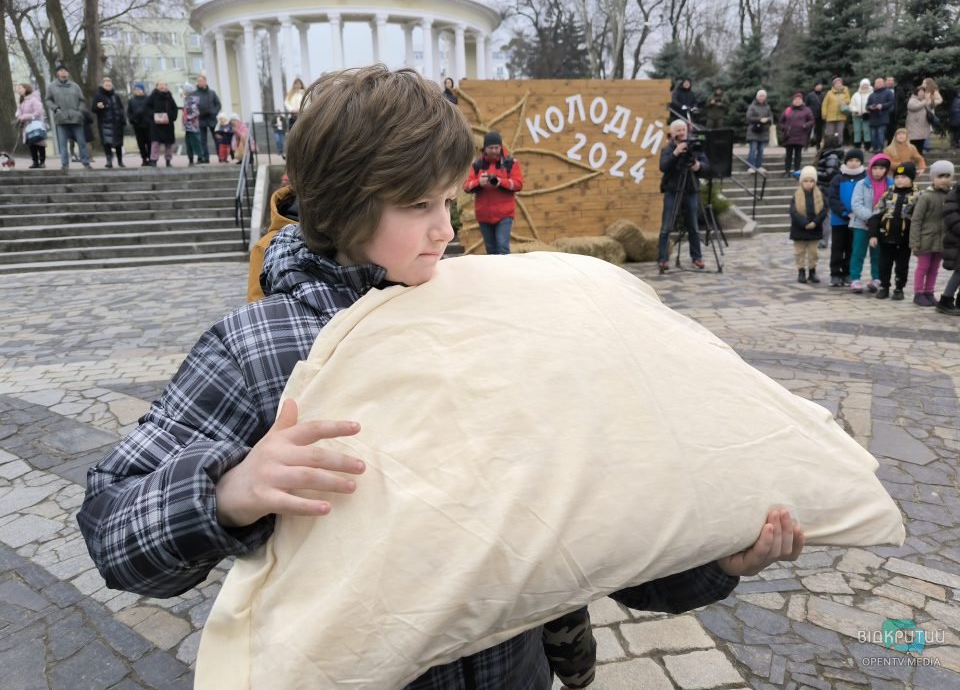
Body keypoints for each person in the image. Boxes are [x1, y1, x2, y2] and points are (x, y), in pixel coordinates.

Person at [75, 66, 806, 689]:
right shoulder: (259, 348)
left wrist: (714, 560)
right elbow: (112, 530)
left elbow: (575, 521)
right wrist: (227, 492)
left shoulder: (491, 323)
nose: (446, 231)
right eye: (417, 205)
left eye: (447, 202)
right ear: (346, 203)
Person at [657, 118, 710, 271]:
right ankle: (662, 259)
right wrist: (675, 153)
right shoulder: (668, 149)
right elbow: (663, 166)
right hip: (673, 190)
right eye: (678, 130)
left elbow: (706, 166)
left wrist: (697, 166)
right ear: (672, 134)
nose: (681, 133)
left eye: (683, 130)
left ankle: (697, 257)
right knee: (667, 226)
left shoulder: (694, 146)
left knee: (693, 225)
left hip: (691, 189)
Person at [464, 130, 524, 254]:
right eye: (491, 148)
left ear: (500, 147)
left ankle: (506, 273)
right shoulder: (477, 165)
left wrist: (500, 182)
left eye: (496, 147)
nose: (494, 151)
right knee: (490, 250)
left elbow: (518, 184)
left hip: (504, 214)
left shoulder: (510, 163)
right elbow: (466, 186)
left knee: (502, 247)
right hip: (483, 215)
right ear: (485, 148)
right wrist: (479, 183)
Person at [869, 162, 920, 300]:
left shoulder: (917, 196)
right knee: (884, 264)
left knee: (902, 266)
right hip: (886, 238)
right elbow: (876, 215)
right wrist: (873, 234)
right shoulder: (888, 194)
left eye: (903, 177)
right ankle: (884, 286)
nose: (899, 180)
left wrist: (916, 239)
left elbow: (919, 219)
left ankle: (899, 288)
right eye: (897, 177)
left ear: (911, 178)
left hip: (904, 239)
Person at [909, 160, 953, 306]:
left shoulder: (951, 196)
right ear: (933, 178)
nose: (944, 180)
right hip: (925, 240)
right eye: (940, 176)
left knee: (934, 269)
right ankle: (918, 293)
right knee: (923, 267)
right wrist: (914, 241)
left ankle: (929, 291)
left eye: (948, 176)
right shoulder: (926, 197)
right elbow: (916, 220)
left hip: (942, 240)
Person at [849, 153, 892, 293]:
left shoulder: (891, 185)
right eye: (875, 168)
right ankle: (855, 278)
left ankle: (877, 278)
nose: (877, 171)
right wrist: (872, 218)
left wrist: (880, 221)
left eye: (881, 168)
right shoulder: (862, 184)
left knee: (878, 253)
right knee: (858, 252)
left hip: (881, 226)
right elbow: (856, 204)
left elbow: (892, 204)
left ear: (886, 169)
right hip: (861, 224)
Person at [827, 148, 866, 286]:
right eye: (850, 160)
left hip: (857, 220)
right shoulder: (838, 178)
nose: (854, 163)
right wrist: (844, 213)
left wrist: (858, 213)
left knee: (852, 248)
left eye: (857, 160)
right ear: (846, 162)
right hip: (839, 220)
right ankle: (835, 273)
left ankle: (848, 273)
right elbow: (832, 198)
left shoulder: (864, 178)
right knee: (837, 248)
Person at [44, 63, 90, 169]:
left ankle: (86, 163)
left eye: (65, 71)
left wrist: (79, 110)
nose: (63, 72)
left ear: (68, 73)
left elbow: (82, 100)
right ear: (57, 73)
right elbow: (48, 100)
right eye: (61, 71)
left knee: (81, 141)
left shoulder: (75, 86)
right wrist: (55, 109)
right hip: (61, 118)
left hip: (76, 118)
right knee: (62, 144)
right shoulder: (51, 86)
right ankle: (64, 164)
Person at [788, 166, 828, 284]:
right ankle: (801, 271)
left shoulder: (820, 195)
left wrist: (815, 222)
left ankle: (812, 271)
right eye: (806, 181)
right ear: (801, 182)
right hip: (799, 229)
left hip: (814, 229)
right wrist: (804, 223)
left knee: (813, 252)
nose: (808, 184)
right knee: (799, 251)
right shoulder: (796, 196)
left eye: (811, 181)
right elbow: (793, 212)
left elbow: (824, 210)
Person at [91, 77, 126, 168]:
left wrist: (122, 119)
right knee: (107, 143)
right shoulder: (99, 95)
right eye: (106, 85)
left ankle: (120, 161)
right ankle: (109, 160)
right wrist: (98, 107)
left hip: (117, 123)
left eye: (110, 85)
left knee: (118, 143)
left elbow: (121, 108)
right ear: (103, 85)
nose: (108, 86)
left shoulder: (116, 96)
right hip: (105, 123)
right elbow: (93, 109)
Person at [937, 183, 960, 314]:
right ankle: (945, 300)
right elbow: (951, 217)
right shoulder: (955, 194)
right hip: (957, 239)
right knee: (959, 273)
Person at [780, 92, 814, 177]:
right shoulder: (788, 110)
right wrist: (784, 128)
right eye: (796, 99)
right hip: (789, 136)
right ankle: (787, 171)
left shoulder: (807, 110)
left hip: (800, 135)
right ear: (793, 101)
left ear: (802, 101)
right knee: (788, 154)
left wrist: (805, 125)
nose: (797, 101)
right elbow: (781, 122)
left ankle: (796, 171)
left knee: (798, 155)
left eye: (799, 99)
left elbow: (811, 121)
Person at [146, 80, 178, 167]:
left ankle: (168, 160)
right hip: (156, 124)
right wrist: (153, 116)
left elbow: (174, 108)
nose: (162, 86)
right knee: (155, 143)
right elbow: (147, 107)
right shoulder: (153, 96)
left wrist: (171, 117)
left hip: (168, 124)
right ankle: (153, 160)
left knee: (168, 143)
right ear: (156, 86)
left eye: (164, 85)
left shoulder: (169, 96)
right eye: (160, 85)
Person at [15, 82, 47, 169]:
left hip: (36, 124)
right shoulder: (22, 100)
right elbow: (19, 111)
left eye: (20, 88)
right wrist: (19, 117)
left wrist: (25, 116)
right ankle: (35, 161)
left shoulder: (34, 99)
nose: (18, 90)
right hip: (27, 126)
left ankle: (42, 161)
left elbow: (38, 112)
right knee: (31, 143)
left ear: (26, 88)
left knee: (40, 143)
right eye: (18, 88)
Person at [194, 74, 221, 164]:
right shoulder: (195, 94)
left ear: (205, 81)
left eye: (201, 81)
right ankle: (205, 158)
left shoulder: (212, 93)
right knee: (202, 140)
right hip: (201, 119)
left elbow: (218, 105)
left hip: (212, 119)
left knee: (217, 139)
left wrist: (214, 112)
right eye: (198, 81)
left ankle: (221, 157)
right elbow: (192, 106)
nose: (199, 82)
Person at [745, 89, 772, 174]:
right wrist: (760, 120)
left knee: (761, 150)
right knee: (753, 149)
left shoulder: (767, 107)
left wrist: (767, 119)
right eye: (760, 96)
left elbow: (771, 118)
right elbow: (748, 118)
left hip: (763, 131)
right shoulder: (752, 106)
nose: (761, 98)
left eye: (763, 96)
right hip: (753, 131)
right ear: (757, 97)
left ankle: (759, 166)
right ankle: (751, 166)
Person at [866, 77, 895, 153]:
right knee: (873, 134)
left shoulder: (888, 92)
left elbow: (891, 102)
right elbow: (867, 106)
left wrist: (882, 106)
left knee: (880, 133)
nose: (878, 84)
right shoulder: (872, 94)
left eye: (880, 82)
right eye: (877, 82)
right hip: (873, 117)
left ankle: (880, 148)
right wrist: (870, 107)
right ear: (874, 84)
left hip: (883, 117)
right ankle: (874, 147)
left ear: (883, 83)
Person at [126, 82, 152, 166]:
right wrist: (132, 119)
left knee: (149, 142)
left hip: (148, 125)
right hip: (138, 125)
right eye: (136, 89)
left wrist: (149, 119)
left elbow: (152, 110)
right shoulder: (131, 100)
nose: (137, 91)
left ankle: (150, 157)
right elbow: (129, 112)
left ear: (142, 90)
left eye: (139, 89)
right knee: (140, 143)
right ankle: (144, 158)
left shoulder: (148, 99)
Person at [821, 77, 850, 146]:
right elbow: (825, 104)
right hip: (830, 116)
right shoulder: (829, 93)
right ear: (833, 85)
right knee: (830, 133)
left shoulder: (845, 92)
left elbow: (849, 100)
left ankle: (839, 145)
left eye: (839, 83)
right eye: (836, 83)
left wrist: (844, 102)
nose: (838, 84)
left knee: (840, 133)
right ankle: (830, 146)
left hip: (841, 116)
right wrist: (824, 114)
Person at [906, 86, 934, 157]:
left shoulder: (925, 100)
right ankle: (913, 156)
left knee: (921, 141)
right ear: (916, 92)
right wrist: (925, 101)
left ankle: (919, 156)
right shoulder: (913, 99)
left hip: (923, 125)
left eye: (923, 92)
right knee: (914, 142)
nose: (922, 93)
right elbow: (913, 107)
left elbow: (931, 107)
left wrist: (930, 100)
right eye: (920, 91)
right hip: (914, 126)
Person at [181, 82, 203, 166]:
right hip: (187, 127)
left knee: (195, 142)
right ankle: (190, 159)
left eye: (184, 90)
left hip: (192, 126)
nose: (182, 91)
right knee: (188, 143)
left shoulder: (192, 100)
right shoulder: (186, 100)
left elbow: (196, 112)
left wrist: (188, 118)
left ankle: (200, 157)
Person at [848, 78, 872, 150]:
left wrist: (868, 111)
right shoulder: (856, 94)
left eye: (866, 85)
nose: (864, 86)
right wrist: (855, 110)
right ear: (861, 85)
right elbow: (851, 105)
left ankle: (867, 146)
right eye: (863, 85)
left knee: (867, 131)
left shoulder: (871, 94)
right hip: (856, 116)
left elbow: (872, 104)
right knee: (857, 131)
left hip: (866, 115)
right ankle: (857, 146)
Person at [885, 76, 905, 146]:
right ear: (886, 82)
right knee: (886, 130)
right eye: (888, 80)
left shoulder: (899, 90)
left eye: (891, 81)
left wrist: (899, 110)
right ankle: (887, 144)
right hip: (884, 113)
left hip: (895, 113)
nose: (890, 82)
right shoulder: (883, 90)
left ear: (894, 82)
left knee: (893, 129)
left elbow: (902, 101)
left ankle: (893, 144)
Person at [805, 82, 825, 148]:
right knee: (809, 130)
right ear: (815, 87)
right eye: (818, 86)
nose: (819, 87)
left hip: (820, 115)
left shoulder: (824, 95)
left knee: (819, 131)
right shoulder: (810, 95)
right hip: (812, 115)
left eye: (820, 86)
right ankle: (806, 144)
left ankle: (818, 145)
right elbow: (806, 105)